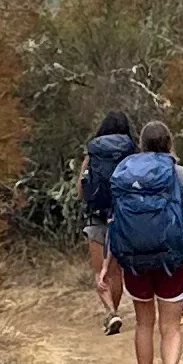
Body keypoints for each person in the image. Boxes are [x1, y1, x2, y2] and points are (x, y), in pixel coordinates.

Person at [101, 117, 183, 364]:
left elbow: (114, 221)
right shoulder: (179, 173)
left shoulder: (125, 171)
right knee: (170, 326)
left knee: (144, 324)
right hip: (171, 259)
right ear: (169, 143)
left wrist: (107, 264)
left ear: (141, 144)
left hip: (133, 260)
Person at [76, 110, 137, 334]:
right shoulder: (131, 153)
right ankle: (115, 310)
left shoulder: (93, 153)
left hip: (96, 216)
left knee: (98, 271)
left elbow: (80, 191)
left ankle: (111, 312)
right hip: (122, 217)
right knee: (116, 272)